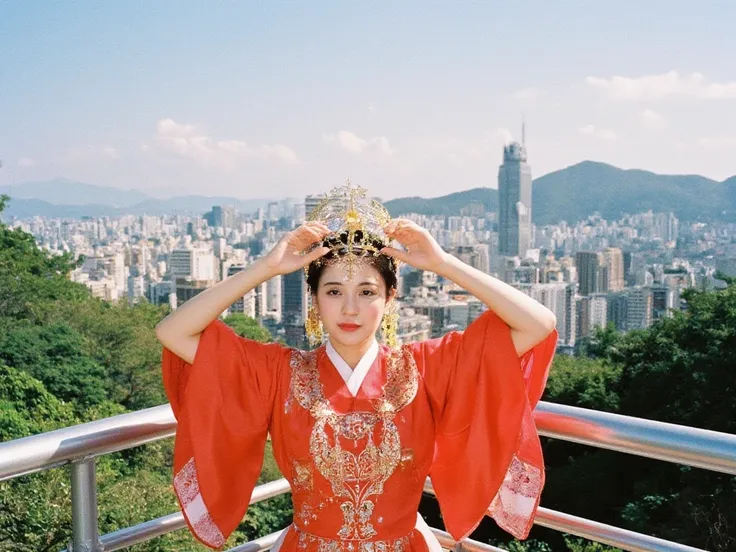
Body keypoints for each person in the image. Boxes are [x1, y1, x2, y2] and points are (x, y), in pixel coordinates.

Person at [156, 184, 558, 551]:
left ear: (389, 299)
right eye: (334, 291)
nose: (350, 308)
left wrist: (444, 263)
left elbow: (538, 324)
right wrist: (266, 267)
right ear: (314, 299)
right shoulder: (279, 372)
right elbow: (174, 332)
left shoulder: (425, 368)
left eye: (367, 292)